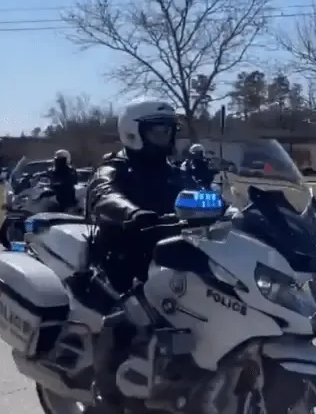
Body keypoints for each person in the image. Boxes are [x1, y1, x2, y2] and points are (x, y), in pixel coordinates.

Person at [83, 98, 189, 412]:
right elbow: (103, 193)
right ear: (134, 133)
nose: (165, 137)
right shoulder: (114, 167)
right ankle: (107, 399)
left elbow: (205, 193)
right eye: (158, 130)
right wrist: (131, 213)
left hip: (169, 256)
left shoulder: (175, 172)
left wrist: (233, 208)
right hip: (121, 260)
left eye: (169, 131)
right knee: (126, 319)